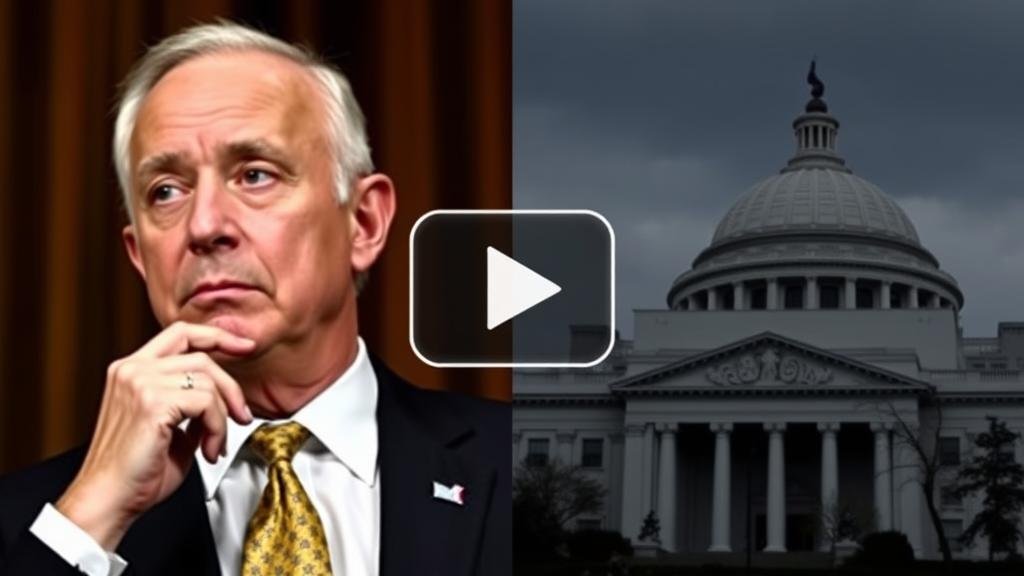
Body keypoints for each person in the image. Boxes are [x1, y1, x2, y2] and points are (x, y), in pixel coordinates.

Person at [0, 22, 510, 576]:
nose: (205, 225)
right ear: (140, 255)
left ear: (363, 223)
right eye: (166, 191)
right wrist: (92, 517)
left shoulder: (517, 467)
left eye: (255, 175)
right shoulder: (41, 526)